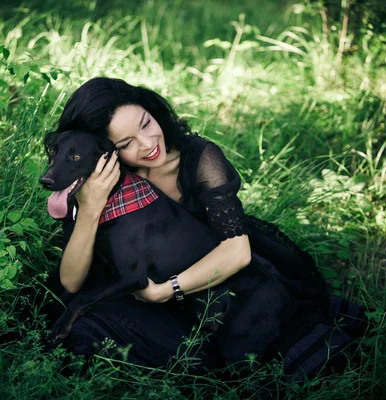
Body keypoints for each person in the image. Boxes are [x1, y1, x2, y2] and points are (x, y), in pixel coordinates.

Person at [42, 77, 368, 379]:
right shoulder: (106, 182)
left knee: (267, 344)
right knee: (79, 326)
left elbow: (237, 252)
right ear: (106, 150)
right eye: (127, 142)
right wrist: (91, 206)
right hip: (144, 291)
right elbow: (71, 280)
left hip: (218, 282)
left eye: (146, 124)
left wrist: (166, 291)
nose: (147, 142)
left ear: (153, 112)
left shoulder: (200, 158)